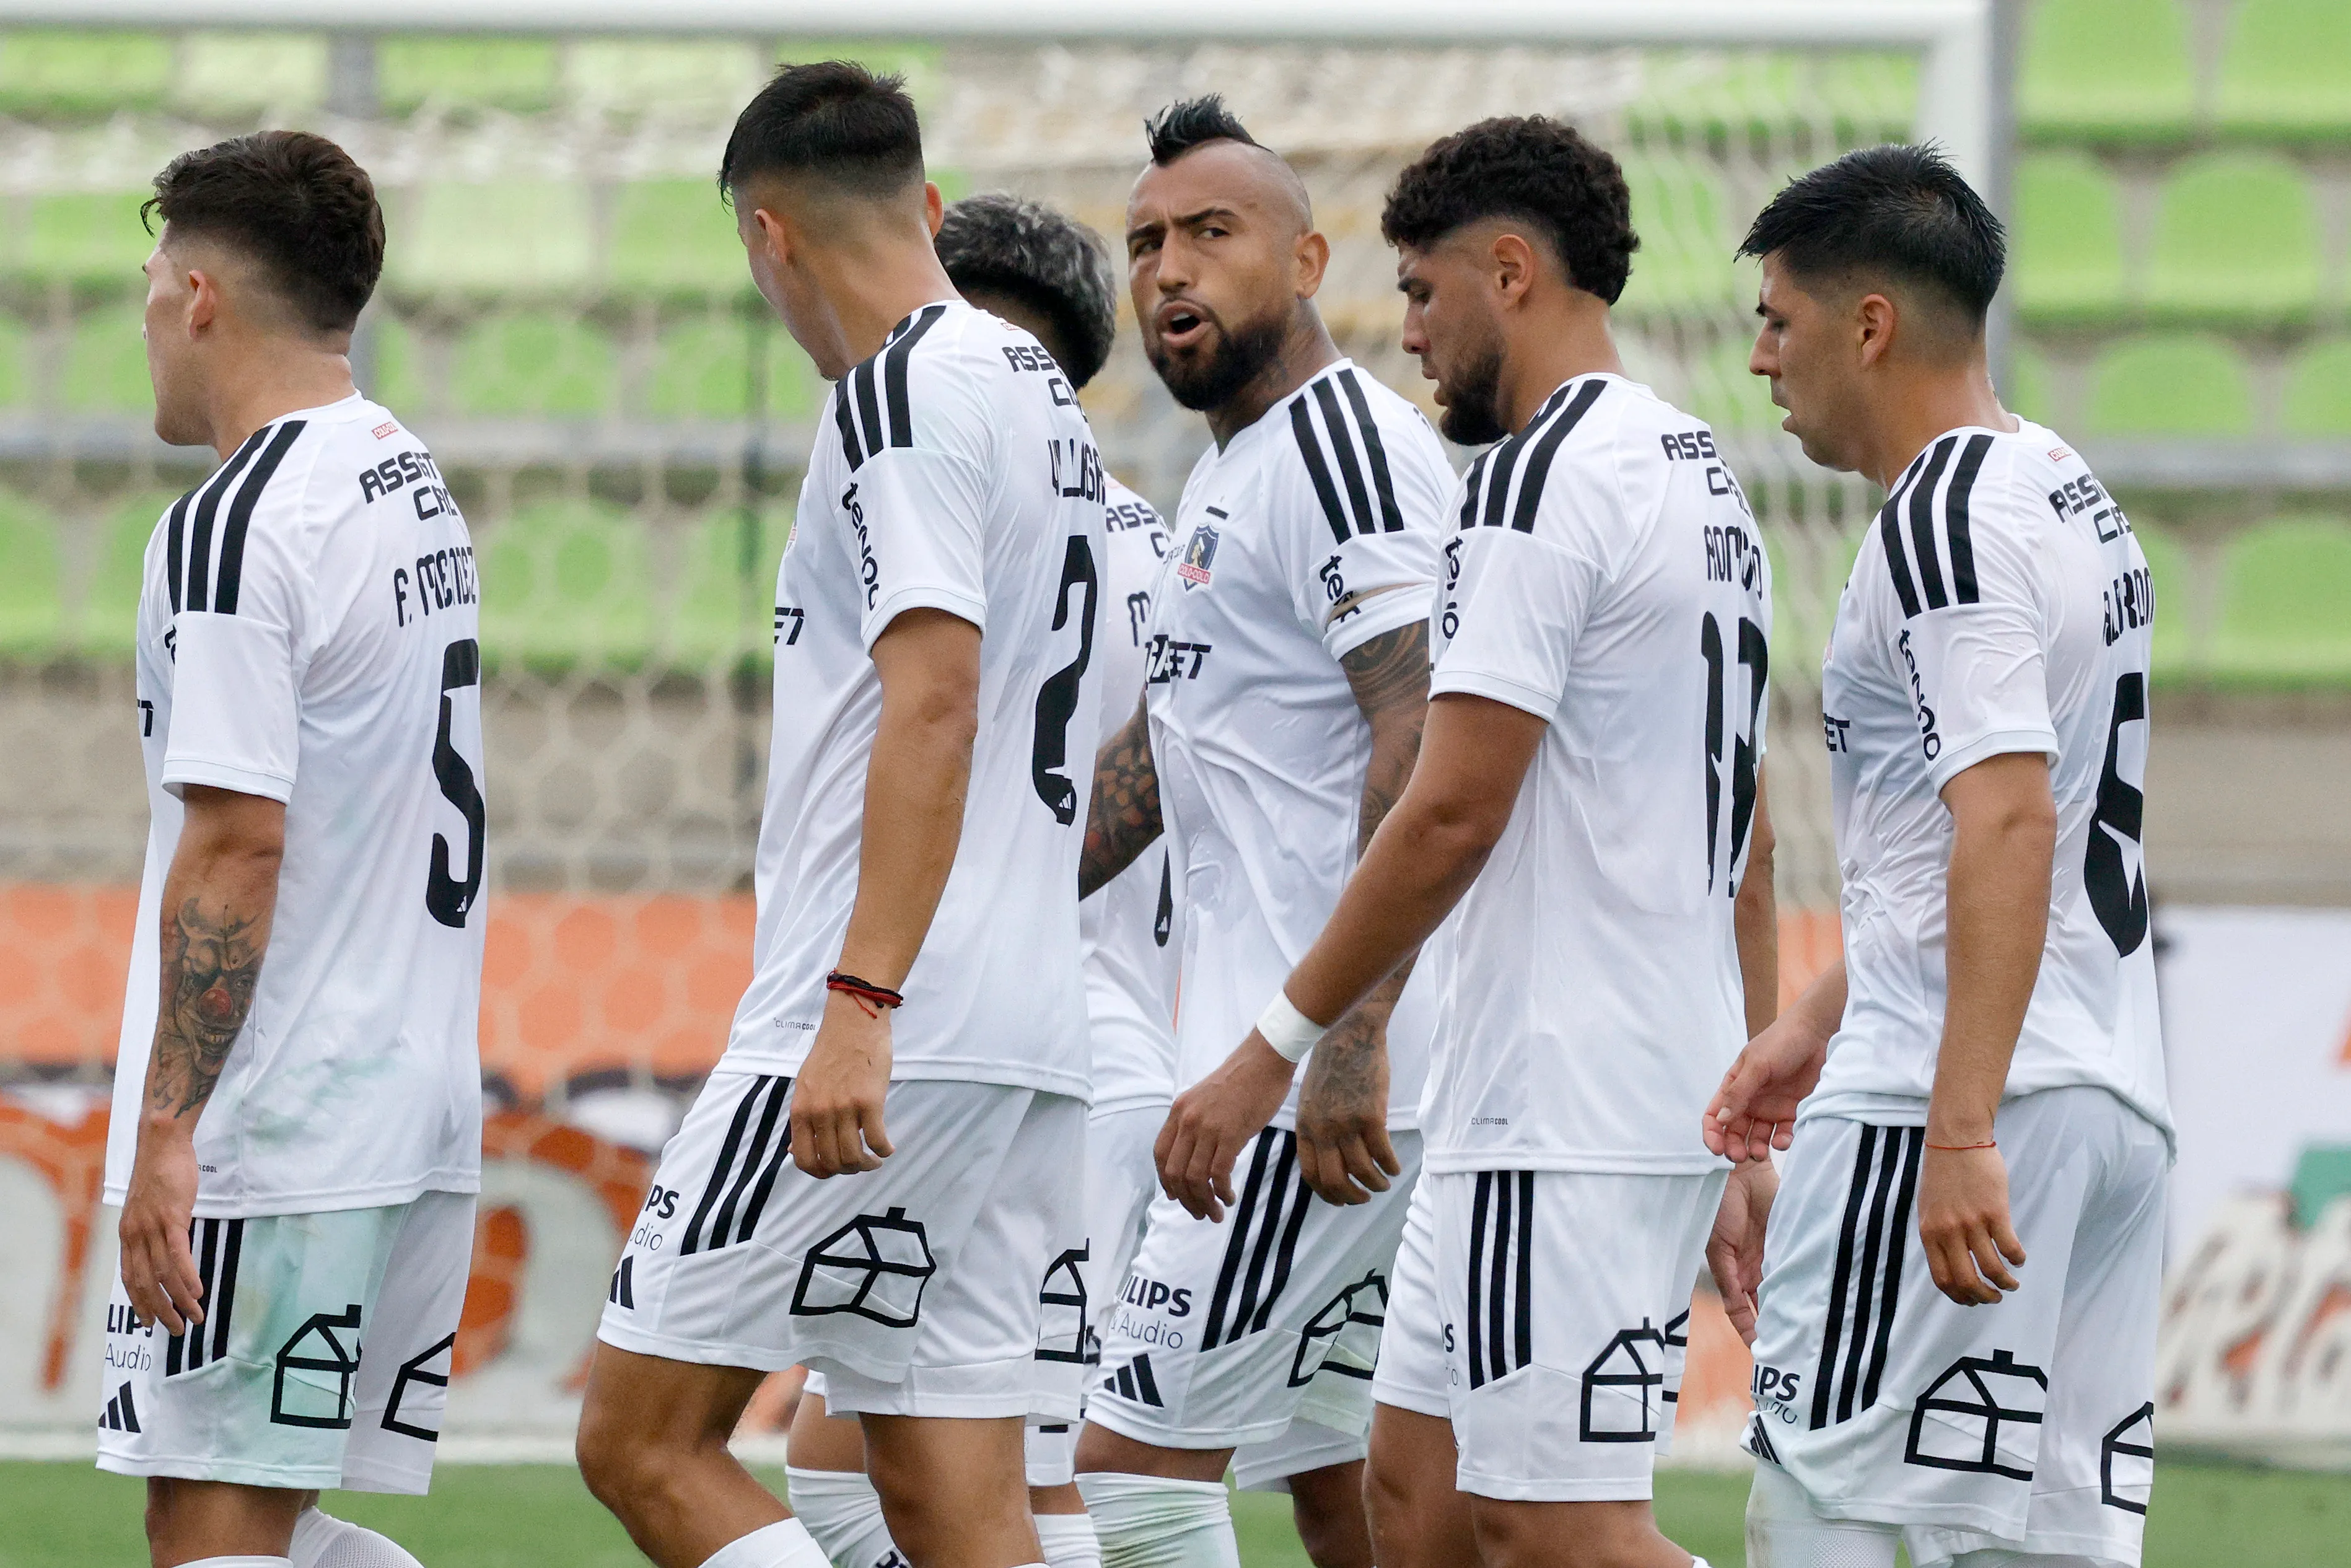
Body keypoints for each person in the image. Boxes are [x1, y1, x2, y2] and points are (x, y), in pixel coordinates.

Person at [1157, 115, 1779, 1568]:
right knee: (1417, 1505)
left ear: (1510, 271)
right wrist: (1744, 1085)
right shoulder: (1698, 472)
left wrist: (1273, 1046)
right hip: (1601, 1078)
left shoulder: (1537, 475)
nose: (1412, 333)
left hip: (1562, 1090)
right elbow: (1736, 814)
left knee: (1544, 1527)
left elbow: (1447, 803)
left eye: (1425, 293)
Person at [575, 65, 1108, 1568]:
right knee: (952, 1496)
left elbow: (934, 697)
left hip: (892, 1012)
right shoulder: (1037, 397)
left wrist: (858, 997)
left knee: (640, 1435)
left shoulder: (892, 392)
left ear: (768, 236)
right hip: (1025, 1025)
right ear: (927, 209)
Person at [1705, 145, 2169, 1568]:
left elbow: (2013, 816)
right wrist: (1814, 1011)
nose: (1759, 357)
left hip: (1954, 1101)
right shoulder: (2060, 485)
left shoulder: (1941, 519)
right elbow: (1998, 828)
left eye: (1779, 320)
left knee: (1823, 1502)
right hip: (2106, 1096)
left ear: (1870, 326)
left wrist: (1956, 1123)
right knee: (2040, 1542)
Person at [1073, 95, 1457, 1568]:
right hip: (1308, 1069)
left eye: (1209, 235)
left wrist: (1336, 1038)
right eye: (1146, 243)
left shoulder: (1343, 456)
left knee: (1124, 1471)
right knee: (1348, 1492)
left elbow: (1419, 738)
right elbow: (1164, 757)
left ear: (1305, 259)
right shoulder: (1227, 471)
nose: (1169, 270)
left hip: (1331, 1082)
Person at [101, 129, 484, 1568]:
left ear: (199, 295)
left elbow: (237, 842)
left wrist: (165, 1131)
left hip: (282, 1117)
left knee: (209, 1525)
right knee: (262, 1522)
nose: (142, 313)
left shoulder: (235, 521)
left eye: (148, 280)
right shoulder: (404, 478)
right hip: (410, 1097)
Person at [782, 189, 1167, 1568]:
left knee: (919, 1480)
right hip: (1086, 1049)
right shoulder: (1144, 543)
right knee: (994, 1489)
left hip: (972, 1030)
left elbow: (932, 727)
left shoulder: (939, 491)